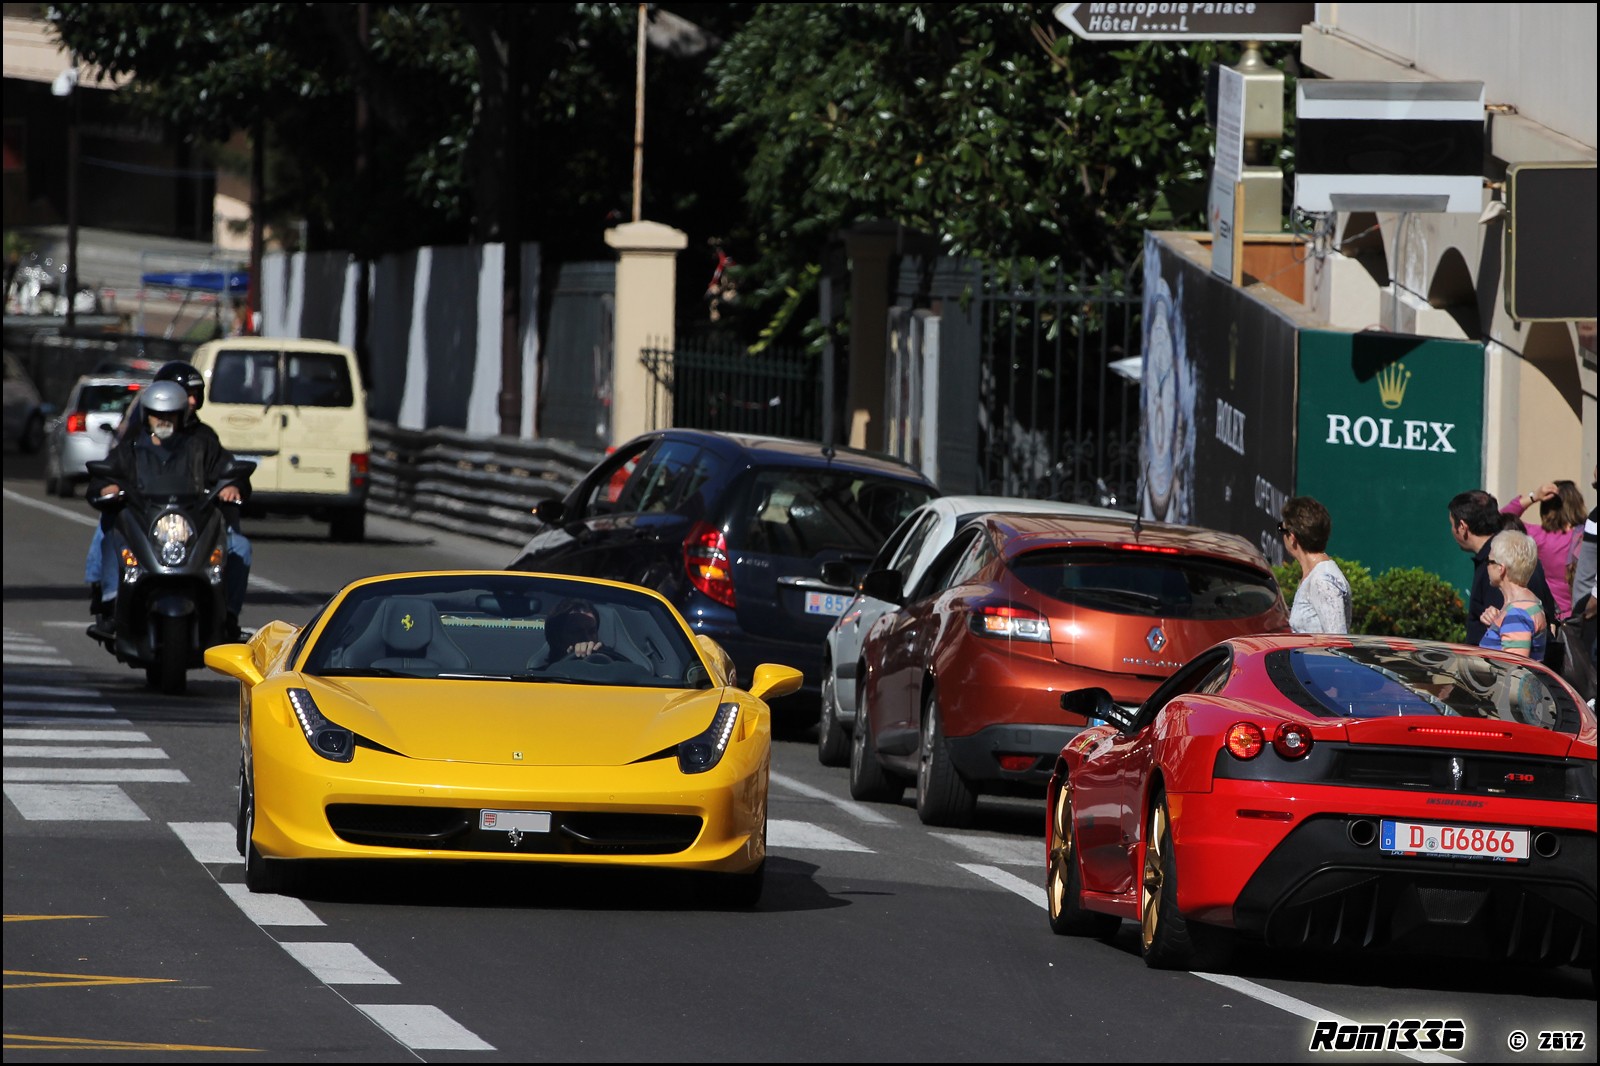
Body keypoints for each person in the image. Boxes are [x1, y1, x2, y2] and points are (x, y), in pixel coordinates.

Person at [86, 361, 253, 635]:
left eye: (193, 396)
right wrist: (108, 487)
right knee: (111, 534)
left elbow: (228, 469)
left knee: (240, 548)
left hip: (193, 524)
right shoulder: (136, 442)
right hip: (148, 520)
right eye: (158, 415)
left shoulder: (203, 439)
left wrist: (233, 485)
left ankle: (227, 617)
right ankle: (111, 602)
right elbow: (110, 472)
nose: (189, 401)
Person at [1448, 490, 1558, 645]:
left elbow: (1515, 647)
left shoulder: (1497, 567)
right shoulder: (1516, 553)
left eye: (1452, 525)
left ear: (1462, 527)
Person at [1500, 480, 1586, 618]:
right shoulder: (1588, 535)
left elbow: (1500, 519)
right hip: (1586, 614)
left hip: (1553, 616)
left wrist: (1534, 496)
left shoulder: (1539, 537)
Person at [1279, 496, 1352, 634]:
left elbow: (1337, 642)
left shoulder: (1323, 581)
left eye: (1282, 530)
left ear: (1292, 537)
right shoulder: (1314, 576)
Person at [1478, 530, 1547, 659]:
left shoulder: (1517, 614)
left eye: (1489, 561)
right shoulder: (1527, 604)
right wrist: (1496, 625)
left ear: (1501, 568)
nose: (1486, 566)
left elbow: (1513, 670)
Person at [544, 599, 619, 661]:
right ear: (557, 638)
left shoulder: (610, 668)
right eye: (577, 632)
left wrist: (604, 654)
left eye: (592, 631)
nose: (587, 639)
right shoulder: (541, 676)